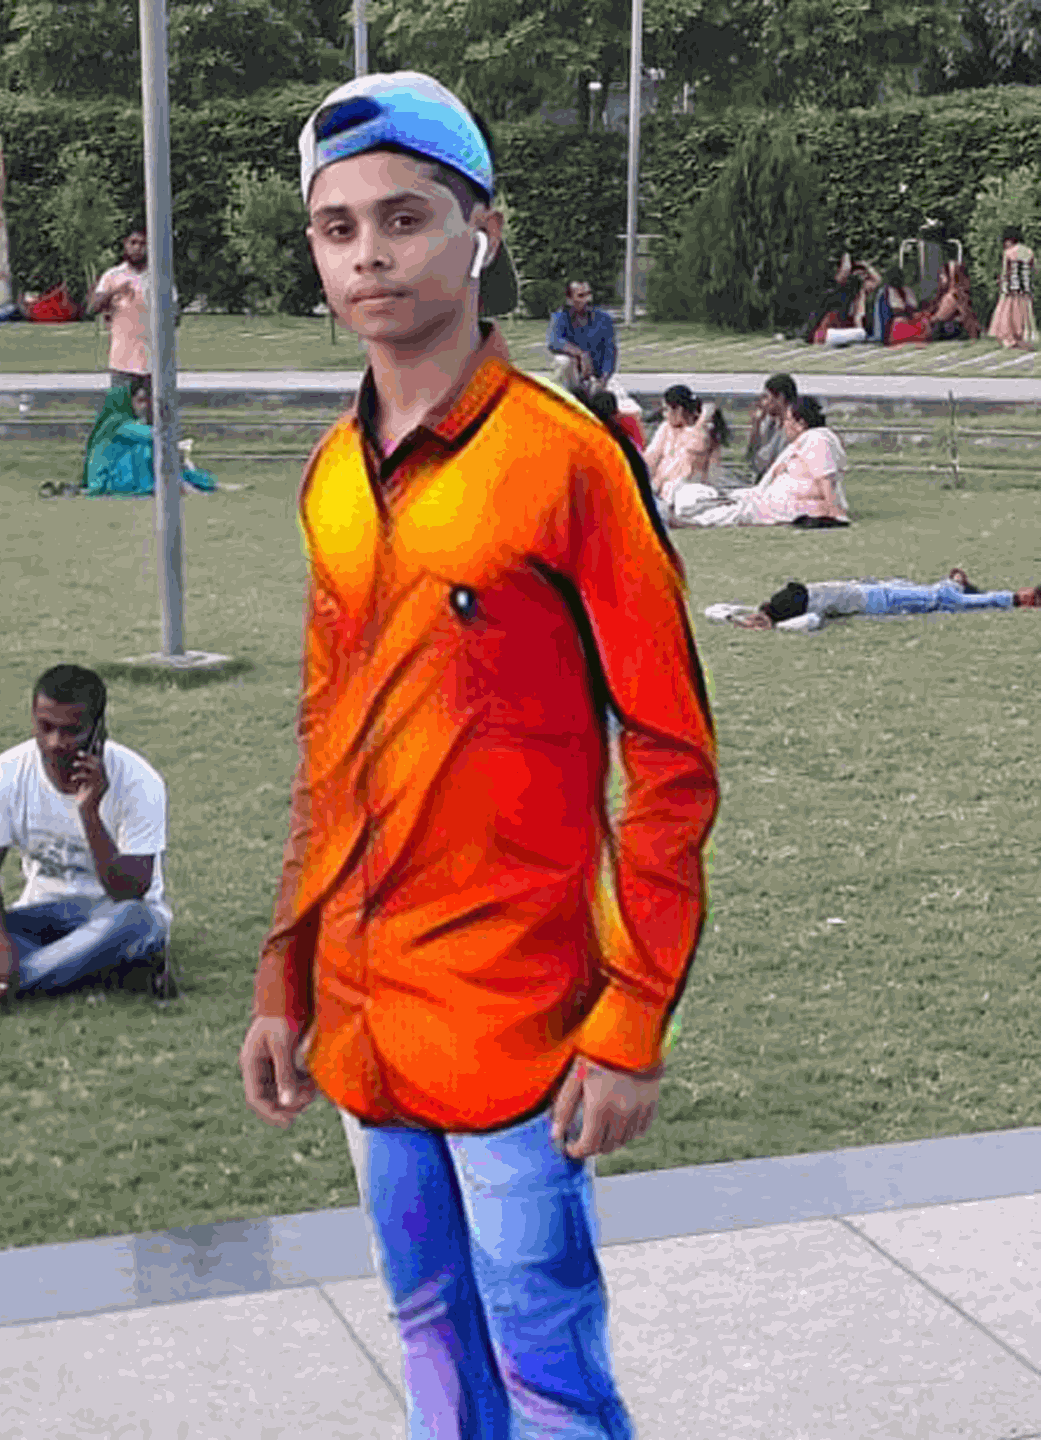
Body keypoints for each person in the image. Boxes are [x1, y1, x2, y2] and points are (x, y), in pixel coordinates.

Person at [238, 70, 718, 1440]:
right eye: (338, 229)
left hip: (518, 1026)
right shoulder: (333, 474)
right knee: (429, 1337)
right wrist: (284, 972)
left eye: (405, 219)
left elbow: (671, 757)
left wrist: (631, 1020)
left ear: (481, 231)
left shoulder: (569, 462)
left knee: (548, 1370)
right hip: (365, 1017)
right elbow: (326, 744)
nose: (370, 256)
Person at [0, 665, 171, 1004]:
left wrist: (89, 812)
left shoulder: (139, 781)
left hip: (112, 918)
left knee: (138, 921)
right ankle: (88, 971)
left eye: (71, 731)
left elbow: (129, 890)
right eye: (45, 727)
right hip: (38, 916)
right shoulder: (6, 772)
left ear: (98, 728)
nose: (55, 743)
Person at [684, 395, 848, 528]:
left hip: (781, 505)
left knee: (737, 510)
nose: (784, 425)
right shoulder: (807, 441)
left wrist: (835, 513)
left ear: (801, 424)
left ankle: (691, 521)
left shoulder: (818, 439)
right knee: (697, 494)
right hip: (771, 498)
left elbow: (826, 477)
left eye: (788, 420)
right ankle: (686, 511)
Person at [726, 568, 1041, 631]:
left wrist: (773, 624)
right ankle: (957, 582)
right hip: (878, 592)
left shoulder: (806, 606)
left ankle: (1015, 598)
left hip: (882, 597)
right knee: (939, 598)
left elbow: (810, 621)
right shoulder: (796, 596)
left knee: (946, 600)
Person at [80, 377, 217, 497]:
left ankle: (181, 483)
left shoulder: (127, 422)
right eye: (139, 401)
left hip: (117, 475)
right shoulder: (116, 424)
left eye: (147, 401)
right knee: (147, 448)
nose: (144, 406)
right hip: (105, 481)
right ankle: (175, 485)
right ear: (127, 401)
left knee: (152, 447)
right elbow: (155, 435)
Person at [88, 225, 178, 389]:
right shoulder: (112, 275)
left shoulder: (160, 277)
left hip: (155, 364)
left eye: (143, 244)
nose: (137, 248)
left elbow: (174, 316)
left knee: (155, 405)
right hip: (122, 363)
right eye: (133, 242)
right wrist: (114, 292)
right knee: (121, 405)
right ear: (125, 244)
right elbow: (93, 308)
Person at [645, 384, 731, 526]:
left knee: (686, 499)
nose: (664, 415)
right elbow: (651, 457)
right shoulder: (666, 428)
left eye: (666, 409)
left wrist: (703, 419)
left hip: (690, 490)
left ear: (678, 410)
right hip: (665, 492)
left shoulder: (704, 431)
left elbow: (693, 449)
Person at [547, 278, 617, 394]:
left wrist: (603, 381)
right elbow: (554, 341)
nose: (587, 299)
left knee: (621, 402)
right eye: (581, 296)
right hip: (573, 377)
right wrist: (581, 354)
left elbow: (610, 353)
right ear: (569, 300)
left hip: (597, 379)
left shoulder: (604, 319)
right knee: (563, 361)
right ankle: (569, 395)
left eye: (589, 294)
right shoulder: (560, 317)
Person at [987, 227, 1037, 351]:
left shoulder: (1008, 252)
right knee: (1023, 315)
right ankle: (1021, 338)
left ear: (1010, 239)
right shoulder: (1029, 252)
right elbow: (1032, 270)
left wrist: (1003, 286)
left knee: (1008, 315)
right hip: (1024, 289)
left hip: (1011, 289)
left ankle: (1010, 339)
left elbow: (1006, 271)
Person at [747, 373, 797, 480]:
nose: (763, 403)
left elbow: (762, 463)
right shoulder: (771, 424)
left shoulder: (794, 428)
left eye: (766, 397)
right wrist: (756, 424)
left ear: (780, 397)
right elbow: (753, 461)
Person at [921, 260, 981, 341]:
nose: (941, 277)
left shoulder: (954, 295)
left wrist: (973, 335)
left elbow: (966, 315)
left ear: (951, 277)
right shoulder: (949, 293)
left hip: (944, 329)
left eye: (943, 274)